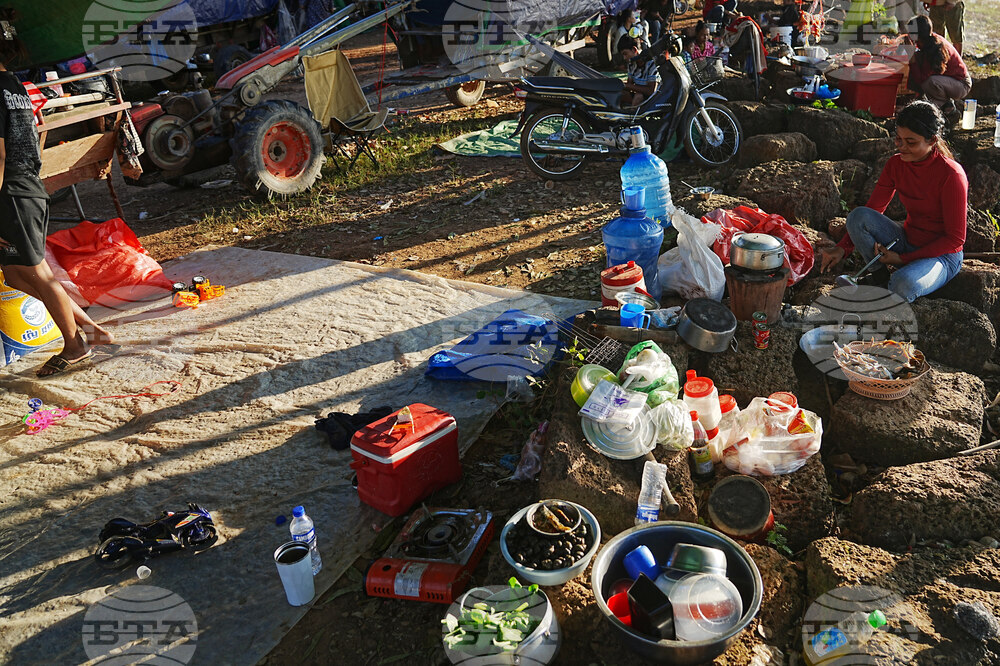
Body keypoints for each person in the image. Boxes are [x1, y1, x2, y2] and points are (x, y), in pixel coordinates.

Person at [0, 10, 113, 377]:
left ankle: (76, 345)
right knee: (15, 274)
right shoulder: (14, 85)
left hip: (11, 192)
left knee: (37, 274)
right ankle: (90, 329)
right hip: (25, 187)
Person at [820, 101, 966, 303]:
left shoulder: (951, 174)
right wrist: (843, 248)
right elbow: (873, 209)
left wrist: (902, 259)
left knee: (903, 283)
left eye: (911, 142)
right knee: (858, 216)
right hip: (906, 241)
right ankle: (879, 276)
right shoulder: (896, 164)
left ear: (932, 140)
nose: (902, 147)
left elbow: (955, 239)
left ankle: (892, 284)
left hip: (941, 257)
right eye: (899, 139)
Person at [906, 15, 970, 113]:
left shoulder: (935, 49)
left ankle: (945, 105)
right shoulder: (928, 41)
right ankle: (920, 100)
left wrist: (911, 58)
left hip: (961, 84)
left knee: (929, 82)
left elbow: (920, 79)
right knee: (918, 61)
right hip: (948, 81)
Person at [619, 36, 660, 107]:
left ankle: (633, 113)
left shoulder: (652, 63)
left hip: (654, 100)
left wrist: (626, 85)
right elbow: (630, 85)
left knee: (639, 96)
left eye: (625, 54)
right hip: (638, 96)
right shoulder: (631, 64)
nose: (624, 58)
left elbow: (651, 91)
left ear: (634, 50)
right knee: (619, 94)